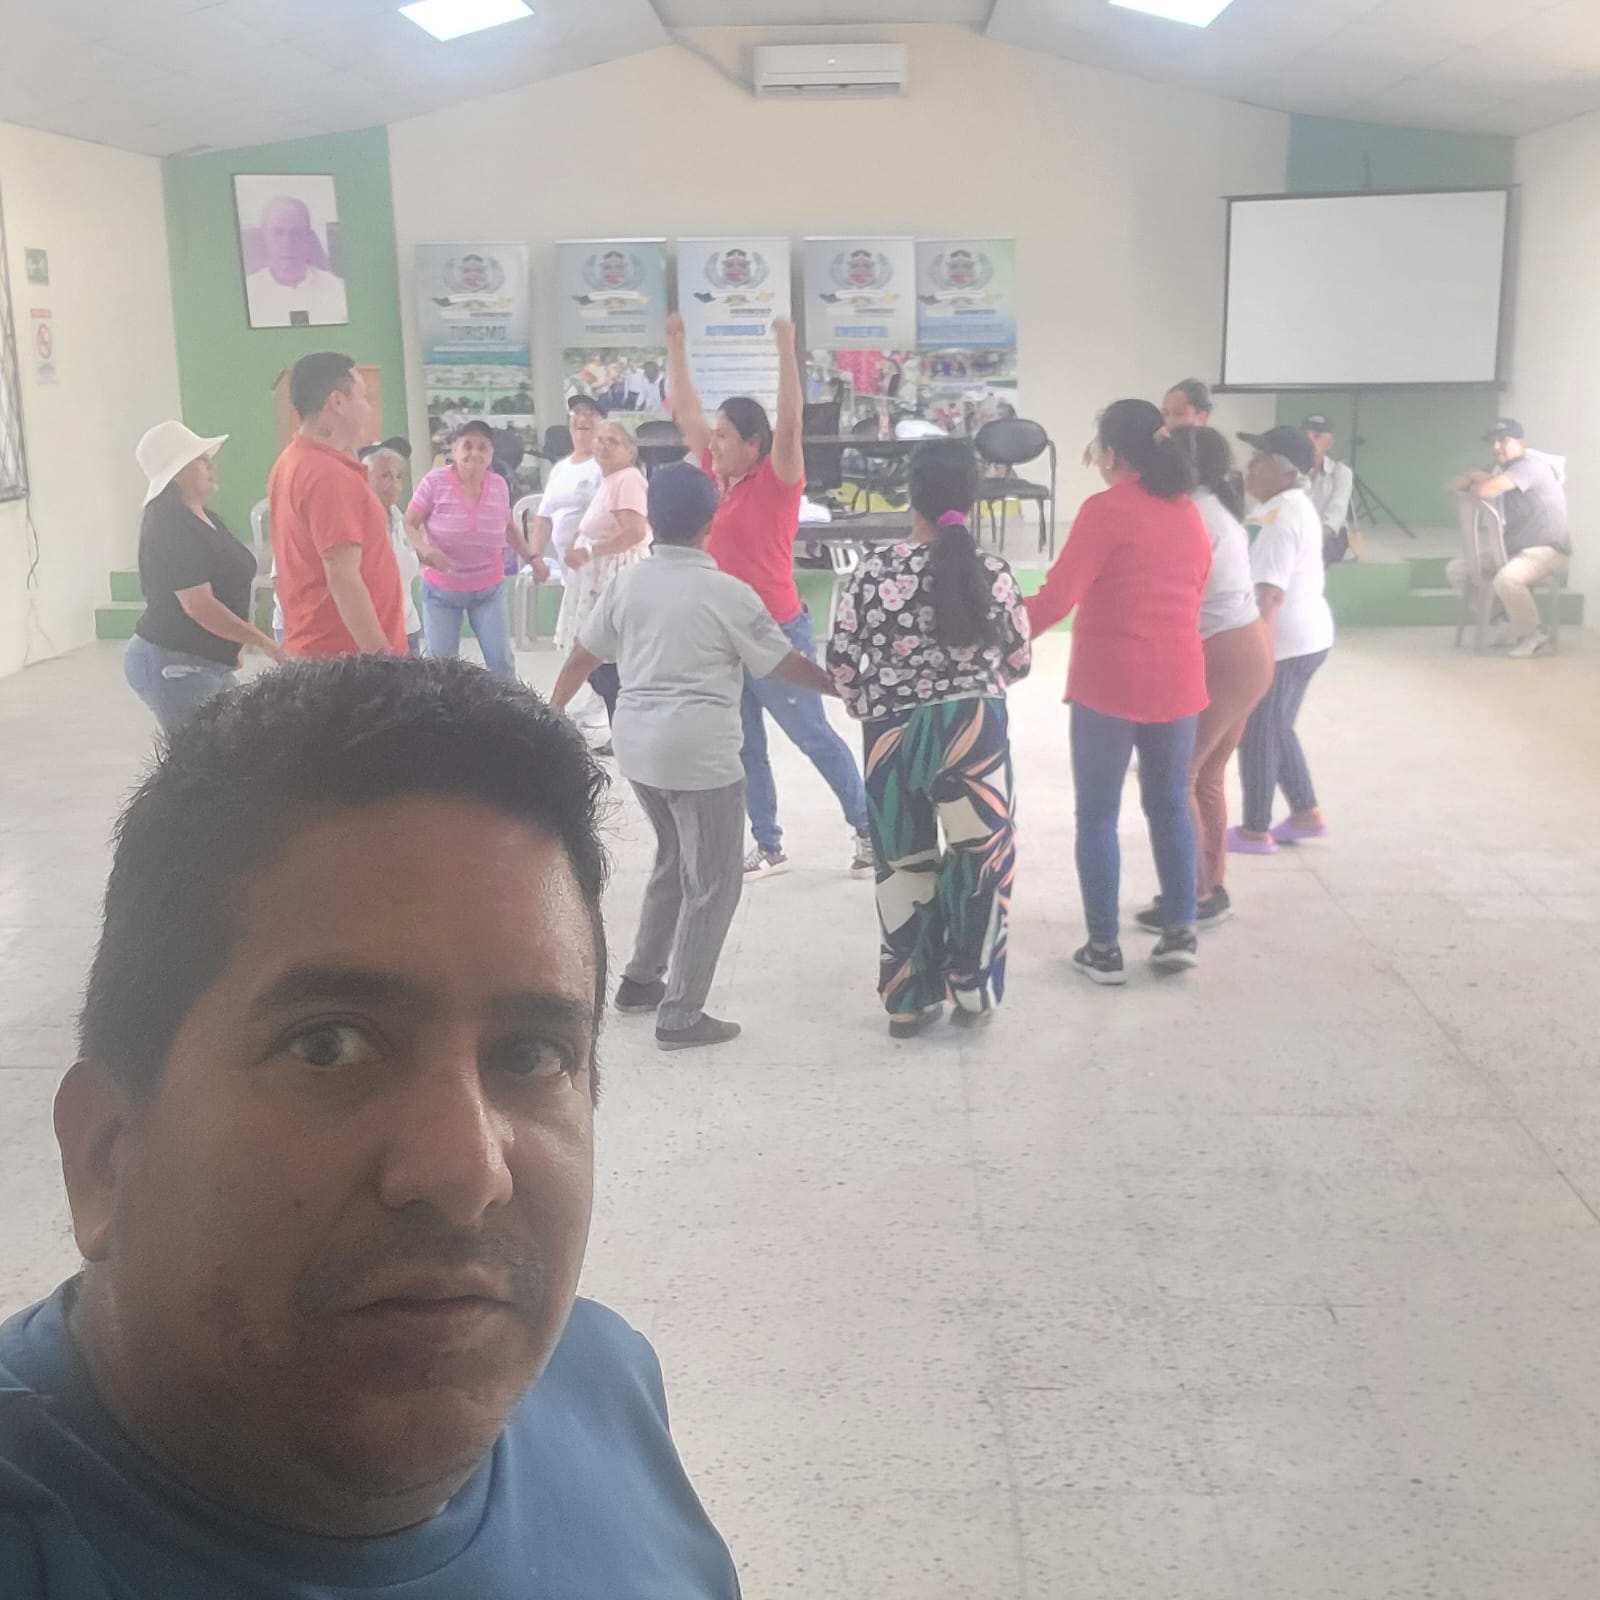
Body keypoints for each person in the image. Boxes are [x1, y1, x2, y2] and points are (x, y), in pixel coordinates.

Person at [0, 658, 739, 1595]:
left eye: (530, 1054)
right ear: (105, 1154)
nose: (466, 1171)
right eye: (329, 1046)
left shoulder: (603, 1380)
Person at [551, 463, 837, 1052]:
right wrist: (842, 687)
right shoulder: (728, 593)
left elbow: (583, 655)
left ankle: (640, 980)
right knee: (715, 882)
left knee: (674, 856)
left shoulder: (629, 584)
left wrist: (550, 712)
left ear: (653, 519)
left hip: (638, 749)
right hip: (700, 757)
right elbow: (781, 664)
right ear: (712, 522)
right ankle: (681, 1014)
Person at [827, 440, 1031, 1037]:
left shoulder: (872, 572)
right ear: (971, 496)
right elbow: (1019, 660)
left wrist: (869, 705)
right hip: (973, 733)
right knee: (981, 858)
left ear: (909, 495)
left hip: (891, 735)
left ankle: (908, 999)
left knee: (902, 864)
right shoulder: (992, 572)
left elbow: (842, 663)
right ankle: (972, 984)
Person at [665, 310, 873, 881]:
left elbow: (791, 422)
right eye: (714, 436)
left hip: (775, 632)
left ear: (753, 444)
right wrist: (676, 346)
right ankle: (768, 845)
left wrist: (786, 347)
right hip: (725, 637)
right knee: (746, 746)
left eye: (725, 436)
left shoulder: (779, 480)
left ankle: (868, 830)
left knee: (812, 736)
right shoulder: (715, 475)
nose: (713, 443)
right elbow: (686, 413)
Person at [1025, 399, 1211, 985]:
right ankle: (1180, 930)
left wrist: (995, 628)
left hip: (1110, 683)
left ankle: (1103, 949)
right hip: (1179, 679)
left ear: (1110, 453)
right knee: (1171, 802)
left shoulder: (1104, 511)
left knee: (1099, 814)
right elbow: (1197, 585)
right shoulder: (1186, 511)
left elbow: (1057, 598)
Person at [1137, 427, 1273, 932]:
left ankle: (1192, 894)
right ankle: (1208, 887)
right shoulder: (1215, 507)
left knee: (1175, 779)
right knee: (1206, 774)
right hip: (1247, 649)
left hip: (1223, 652)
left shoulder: (1192, 514)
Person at [125, 421, 286, 732]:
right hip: (176, 661)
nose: (211, 467)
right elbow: (199, 606)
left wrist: (233, 644)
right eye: (200, 460)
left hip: (209, 660)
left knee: (235, 742)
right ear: (176, 474)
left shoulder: (204, 517)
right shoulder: (170, 526)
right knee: (204, 753)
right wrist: (262, 641)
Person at [1229, 425, 1336, 855]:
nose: (1251, 465)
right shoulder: (1286, 507)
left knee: (1258, 730)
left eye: (1262, 459)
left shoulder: (1277, 517)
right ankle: (1306, 813)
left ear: (1289, 472)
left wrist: (1257, 654)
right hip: (1307, 638)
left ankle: (1254, 829)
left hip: (1284, 643)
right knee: (1277, 727)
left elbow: (1268, 595)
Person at [267, 352, 407, 659]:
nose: (368, 408)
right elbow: (343, 577)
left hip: (324, 653)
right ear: (337, 402)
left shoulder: (292, 460)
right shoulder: (327, 475)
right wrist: (383, 662)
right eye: (363, 397)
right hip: (348, 661)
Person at [406, 420, 531, 680]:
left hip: (488, 590)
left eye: (482, 447)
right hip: (442, 591)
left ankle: (508, 707)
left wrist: (534, 559)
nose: (474, 453)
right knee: (441, 668)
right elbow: (409, 523)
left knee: (500, 662)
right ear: (454, 450)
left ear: (491, 455)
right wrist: (425, 550)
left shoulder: (499, 485)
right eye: (467, 446)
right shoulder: (434, 482)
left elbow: (509, 528)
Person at [553, 418, 653, 723]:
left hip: (613, 577)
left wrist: (590, 551)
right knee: (597, 660)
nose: (604, 446)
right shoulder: (610, 480)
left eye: (613, 442)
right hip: (596, 578)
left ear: (630, 452)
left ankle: (616, 724)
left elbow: (635, 532)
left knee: (602, 657)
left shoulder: (628, 480)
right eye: (600, 440)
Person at [1449, 418, 1572, 658]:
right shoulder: (1500, 468)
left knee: (1508, 580)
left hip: (1548, 550)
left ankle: (1533, 634)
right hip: (1514, 550)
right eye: (1492, 442)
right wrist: (1473, 476)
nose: (1496, 447)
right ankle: (1505, 619)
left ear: (1520, 442)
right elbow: (1454, 485)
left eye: (1503, 440)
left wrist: (1477, 481)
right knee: (1458, 570)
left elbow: (1485, 490)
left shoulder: (1530, 466)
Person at [243, 195, 349, 328]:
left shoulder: (340, 290)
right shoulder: (247, 293)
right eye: (278, 233)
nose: (287, 243)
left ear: (307, 238)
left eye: (296, 233)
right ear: (264, 235)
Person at [363, 446, 423, 656]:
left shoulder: (400, 521)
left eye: (398, 476)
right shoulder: (357, 523)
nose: (395, 485)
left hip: (408, 629)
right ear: (364, 478)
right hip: (373, 636)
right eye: (385, 475)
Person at [1304, 414, 1355, 566]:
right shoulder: (1293, 472)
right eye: (1305, 436)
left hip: (1330, 536)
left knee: (1313, 556)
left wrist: (1315, 537)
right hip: (1300, 533)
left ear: (1329, 443)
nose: (1310, 440)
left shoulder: (1341, 472)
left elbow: (1337, 511)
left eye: (1316, 436)